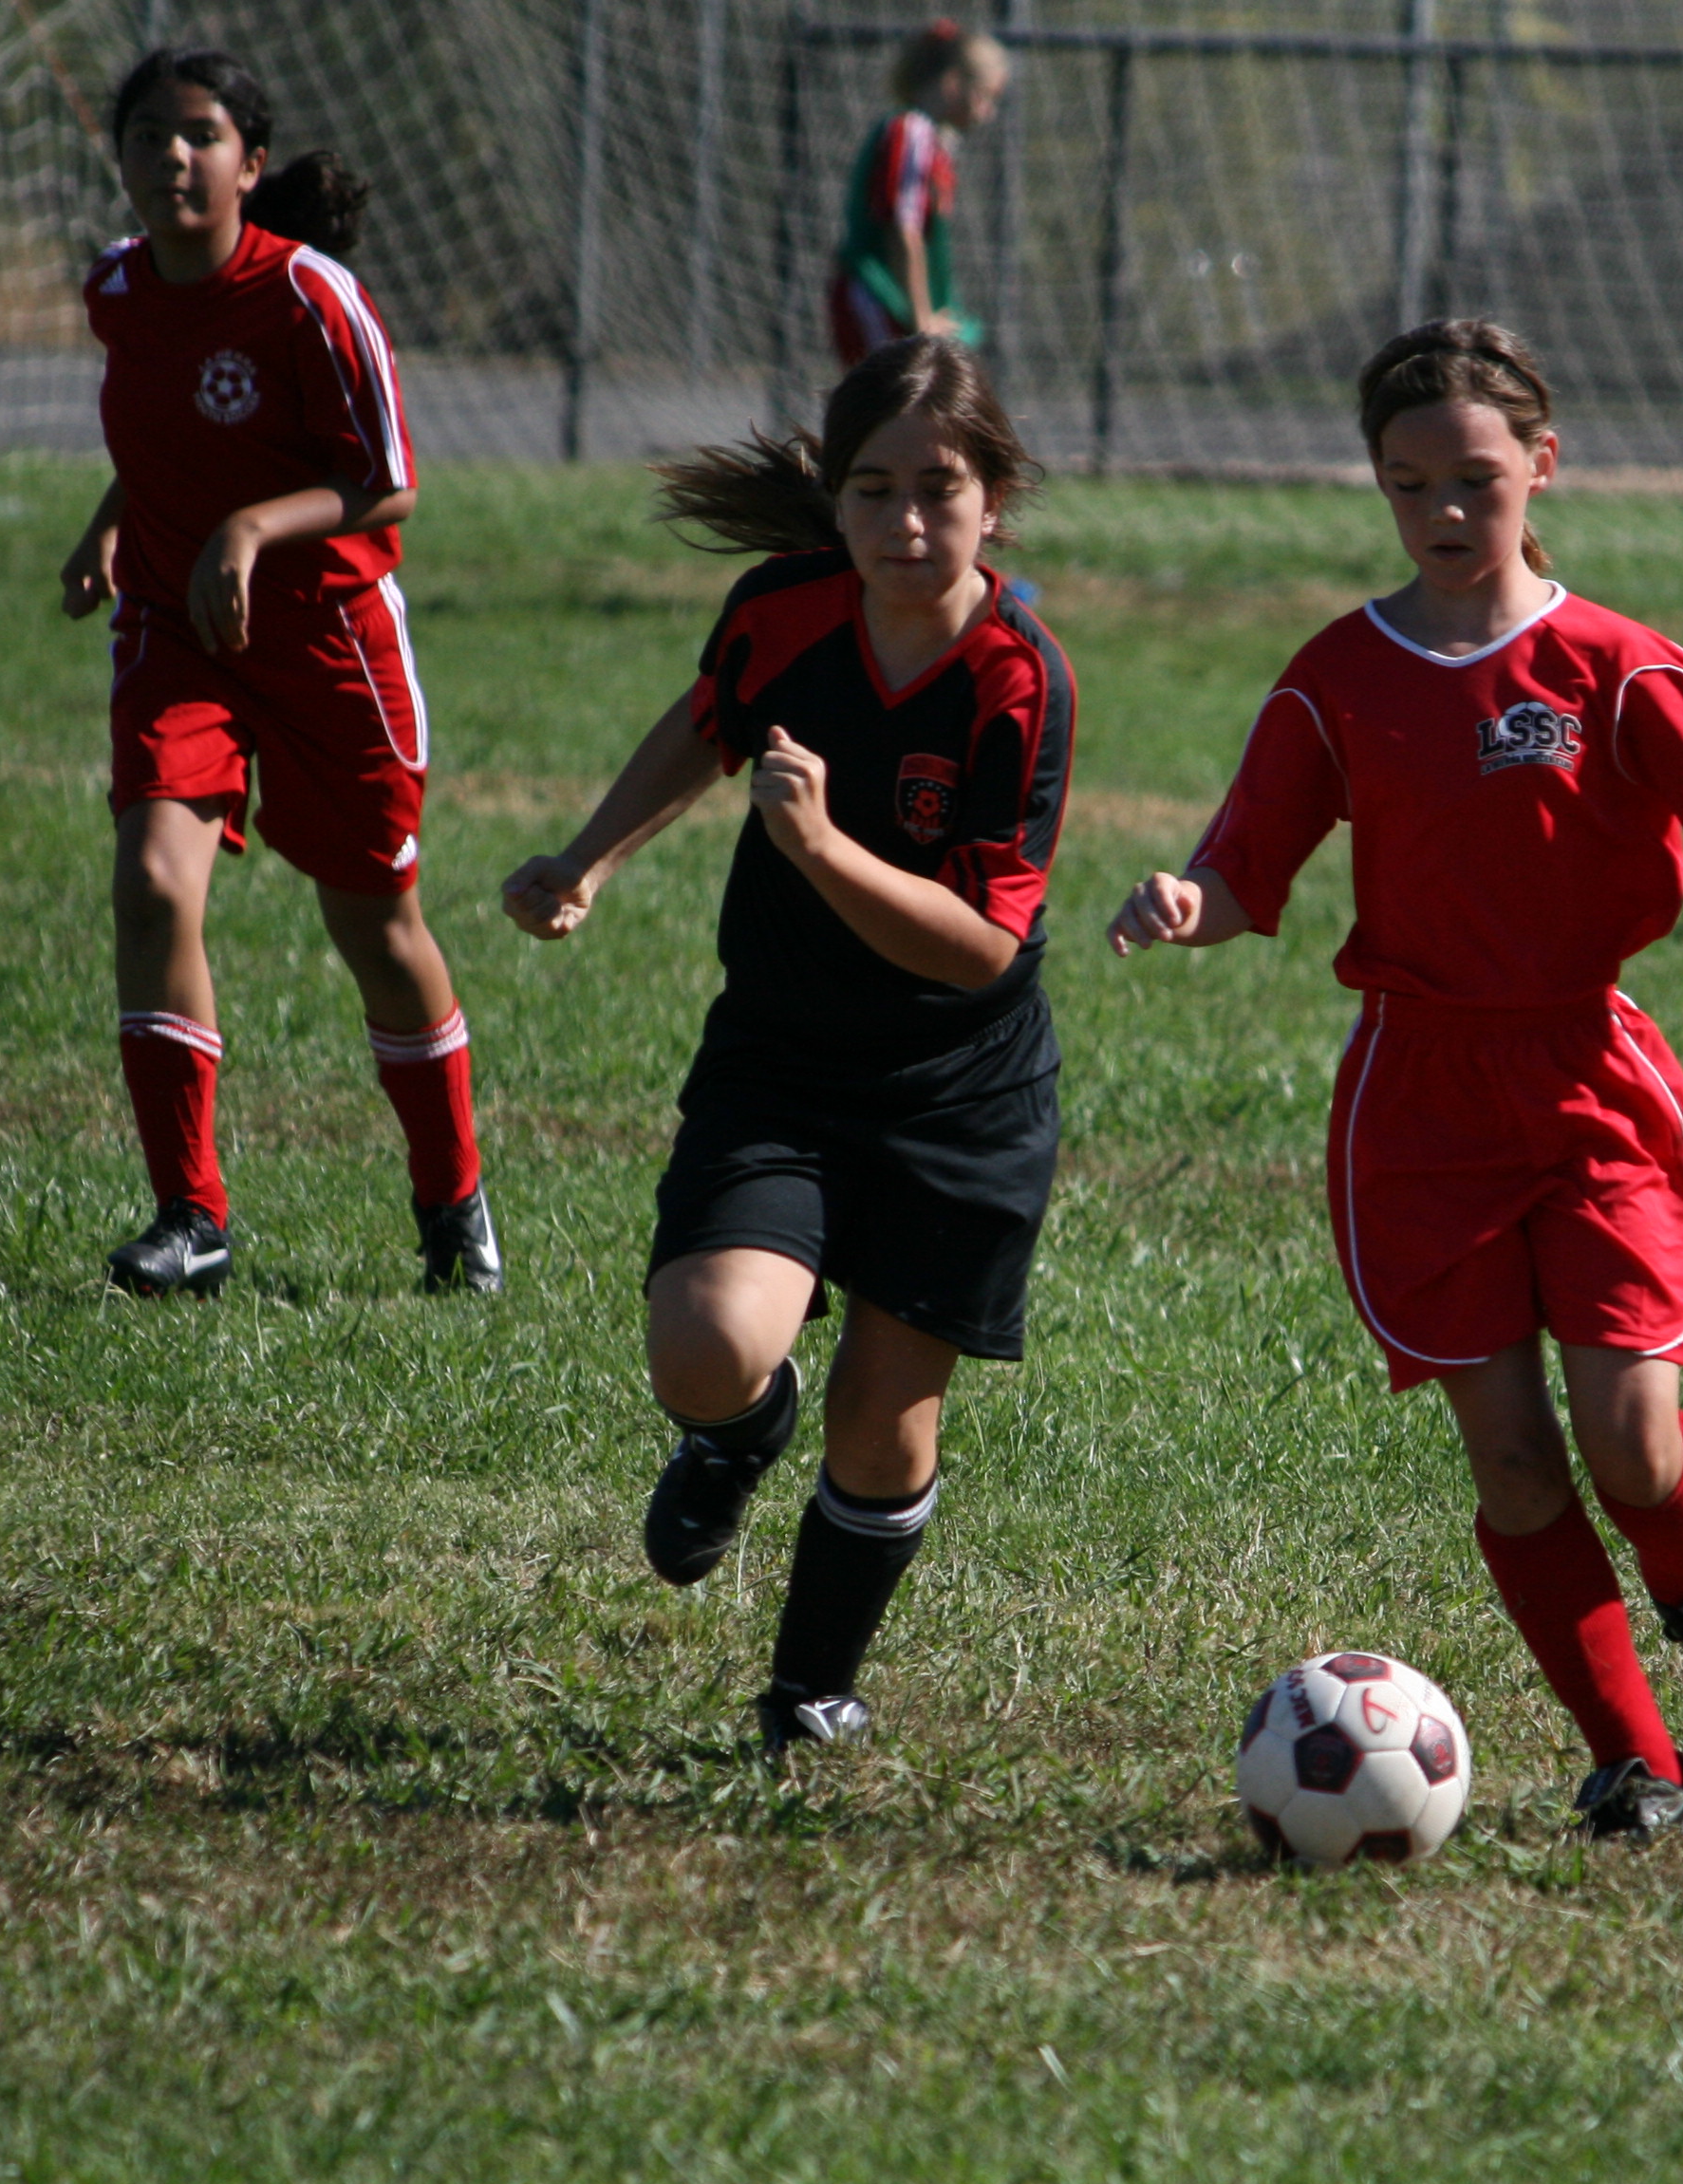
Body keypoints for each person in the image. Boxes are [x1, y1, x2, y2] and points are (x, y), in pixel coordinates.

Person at [1111, 321, 1683, 1842]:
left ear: (1541, 466)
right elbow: (1246, 869)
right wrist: (1187, 901)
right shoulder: (1337, 679)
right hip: (1420, 1101)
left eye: (1476, 479)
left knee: (1631, 1435)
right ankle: (1640, 1761)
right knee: (1511, 1458)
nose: (1443, 509)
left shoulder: (1621, 668)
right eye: (1409, 481)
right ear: (1378, 481)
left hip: (1590, 1079)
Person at [501, 338, 1070, 1755]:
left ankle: (808, 1690)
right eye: (873, 490)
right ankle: (738, 1429)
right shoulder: (782, 609)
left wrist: (817, 848)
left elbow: (982, 948)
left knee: (884, 1424)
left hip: (957, 1089)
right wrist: (588, 858)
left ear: (995, 501)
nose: (906, 523)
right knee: (704, 1349)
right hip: (785, 1060)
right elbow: (707, 723)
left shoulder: (1021, 679)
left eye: (939, 490)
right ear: (834, 499)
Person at [61, 47, 498, 1301]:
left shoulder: (313, 298)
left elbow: (388, 482)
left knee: (376, 926)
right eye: (149, 134)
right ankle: (190, 1218)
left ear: (250, 163)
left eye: (200, 135)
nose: (172, 156)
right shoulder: (117, 289)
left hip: (328, 643)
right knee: (153, 885)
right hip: (178, 628)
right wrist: (110, 524)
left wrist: (249, 529)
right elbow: (170, 432)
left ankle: (453, 1203)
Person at [829, 20, 1010, 372]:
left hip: (894, 305)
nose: (989, 113)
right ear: (953, 83)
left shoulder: (930, 139)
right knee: (888, 402)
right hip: (876, 299)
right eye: (986, 96)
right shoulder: (911, 130)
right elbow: (904, 231)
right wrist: (922, 320)